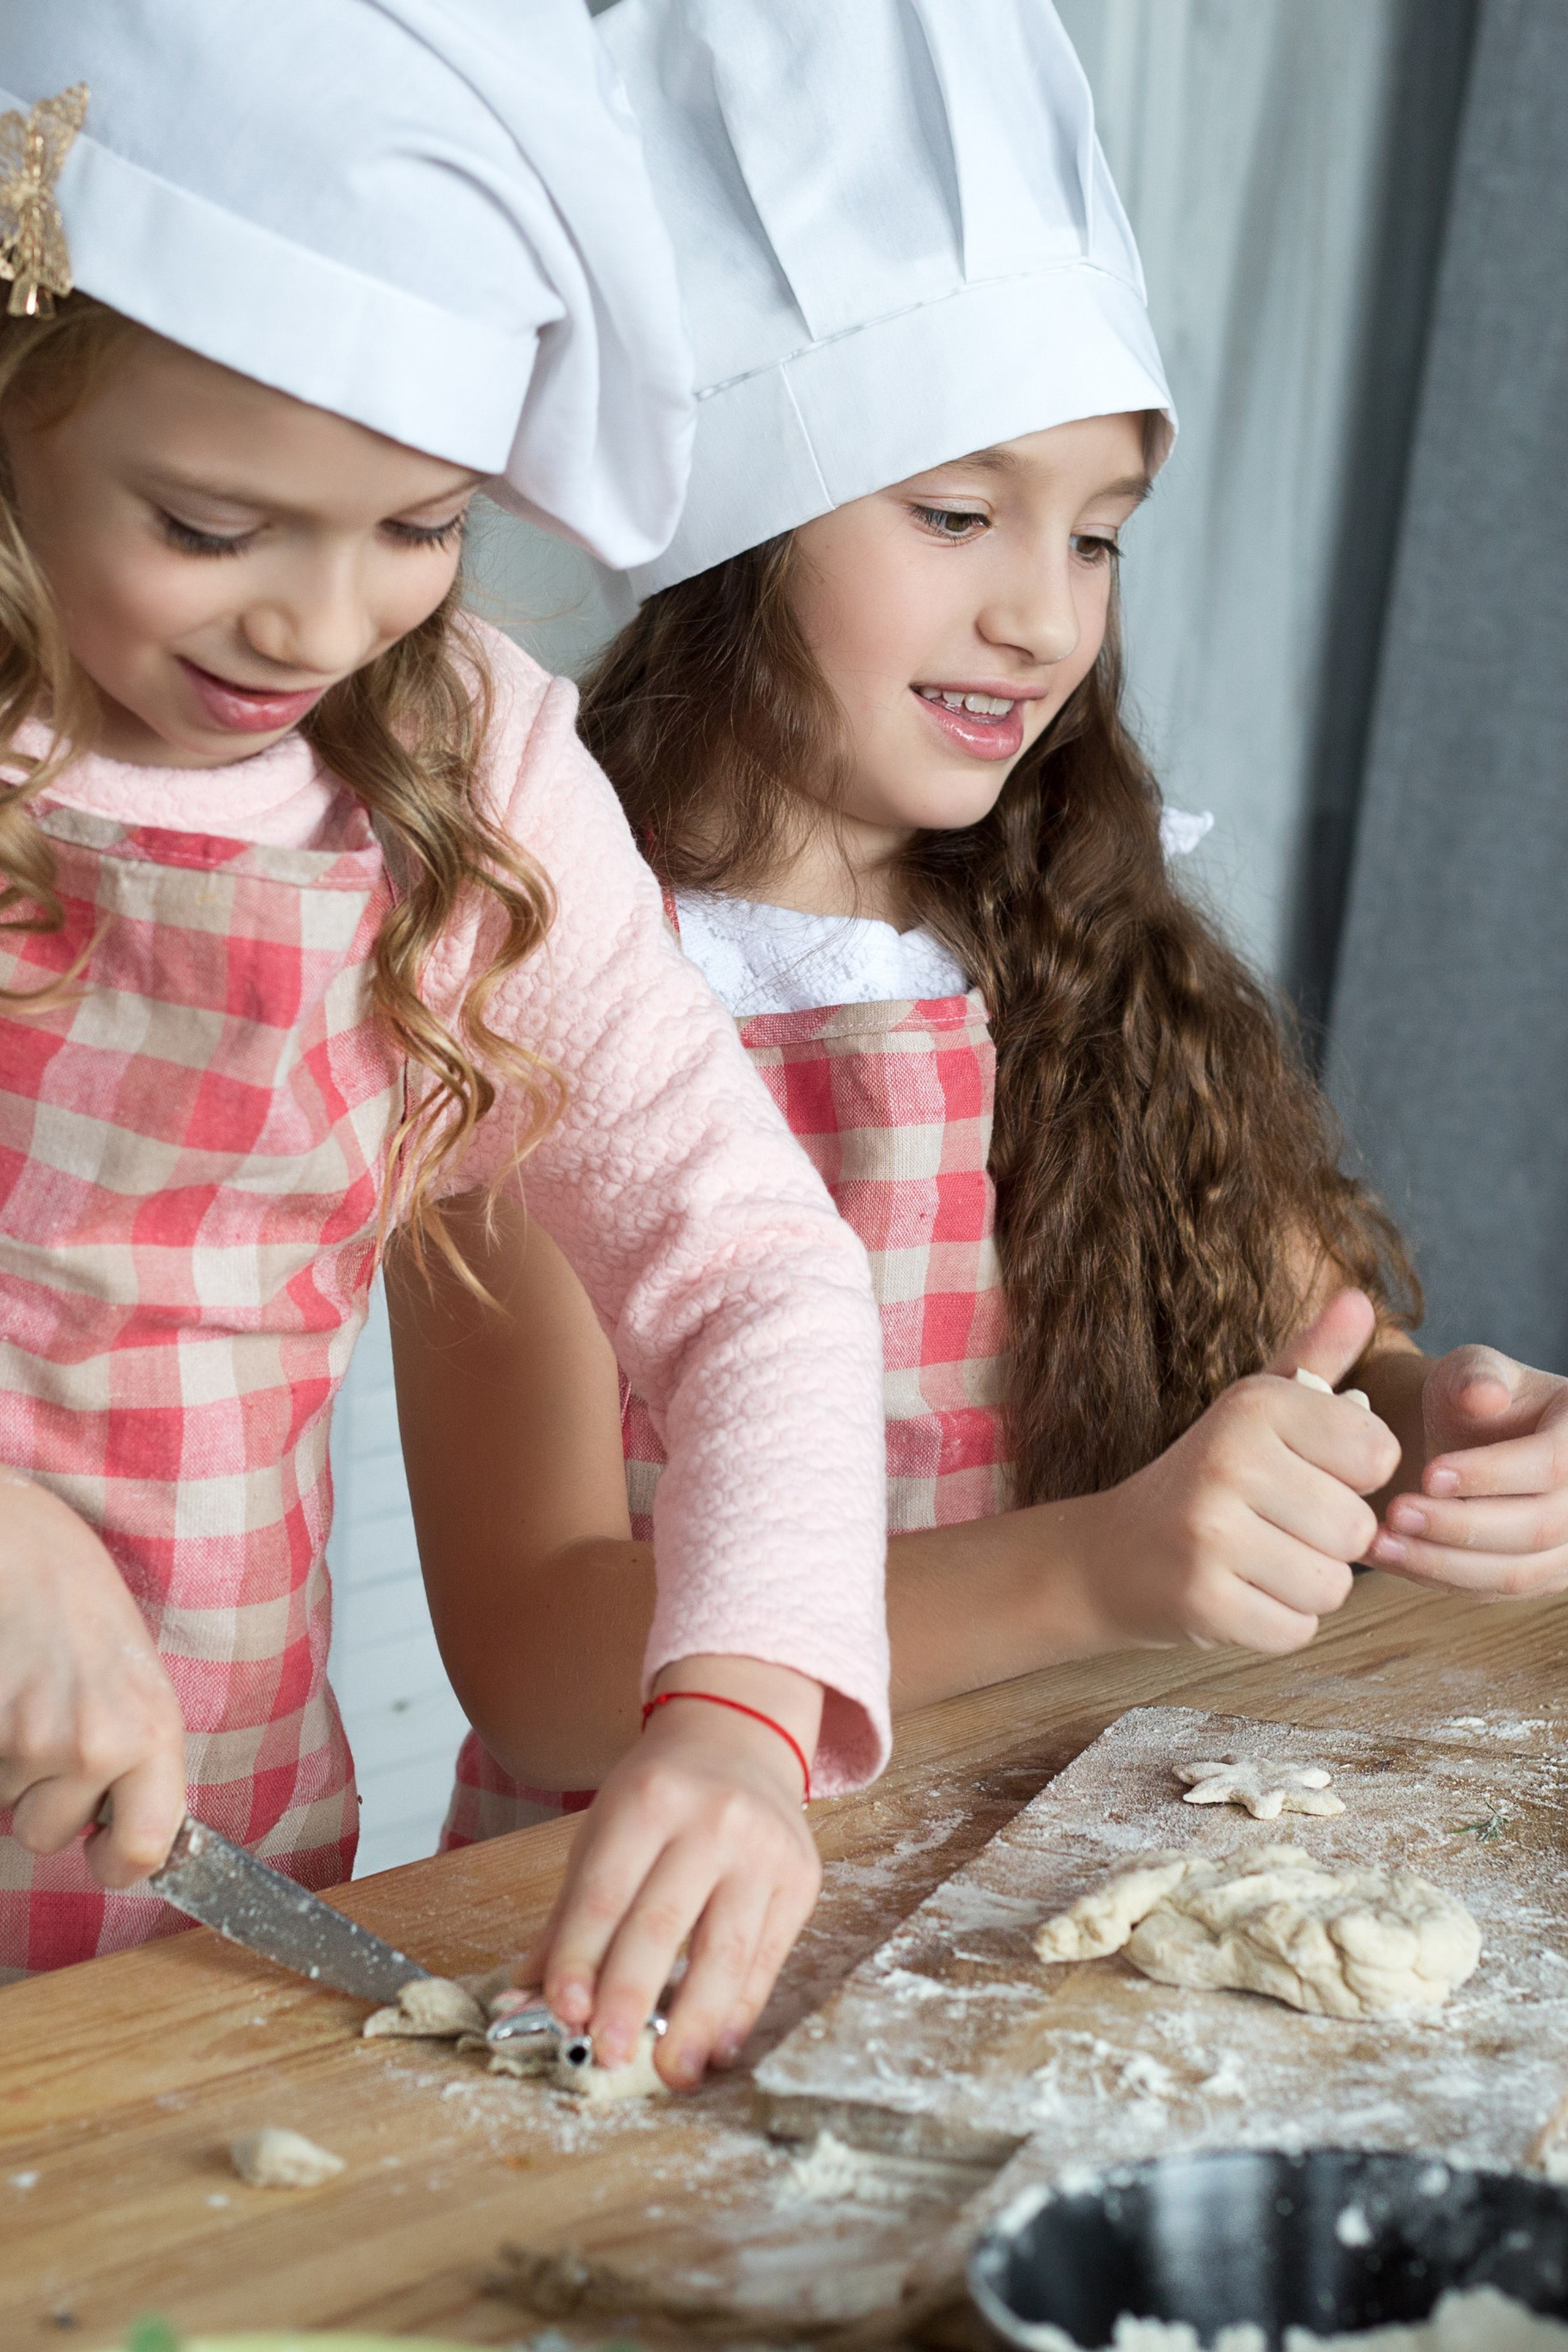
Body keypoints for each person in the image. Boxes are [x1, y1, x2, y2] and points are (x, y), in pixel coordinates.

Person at [399, 0, 1568, 1866]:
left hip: (1052, 1877)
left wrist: (1442, 1450)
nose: (1042, 618)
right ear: (733, 530)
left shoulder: (1089, 936)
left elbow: (1323, 1358)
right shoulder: (541, 970)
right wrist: (1092, 1571)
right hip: (648, 1903)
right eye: (957, 513)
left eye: (1096, 537)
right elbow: (536, 1660)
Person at [0, 1, 896, 2094]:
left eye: (415, 526)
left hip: (180, 1893)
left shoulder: (467, 764)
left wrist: (742, 1716)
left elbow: (752, 1266)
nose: (318, 628)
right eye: (212, 528)